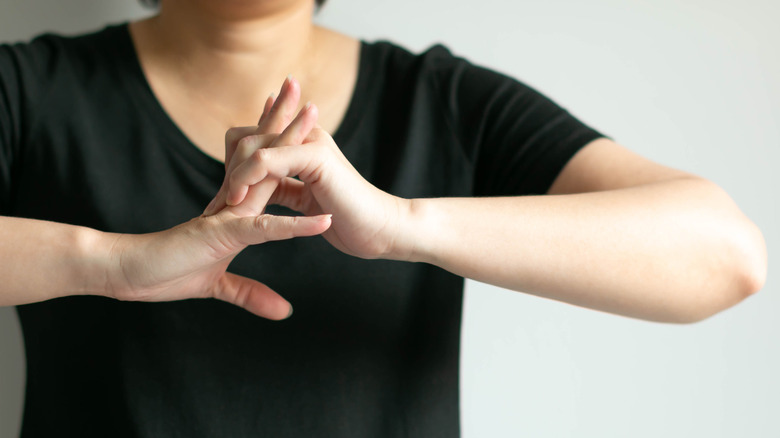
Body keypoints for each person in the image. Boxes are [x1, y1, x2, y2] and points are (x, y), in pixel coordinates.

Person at [0, 0, 766, 436]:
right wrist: (113, 265)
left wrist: (403, 223)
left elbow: (725, 255)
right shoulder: (31, 91)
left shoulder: (445, 103)